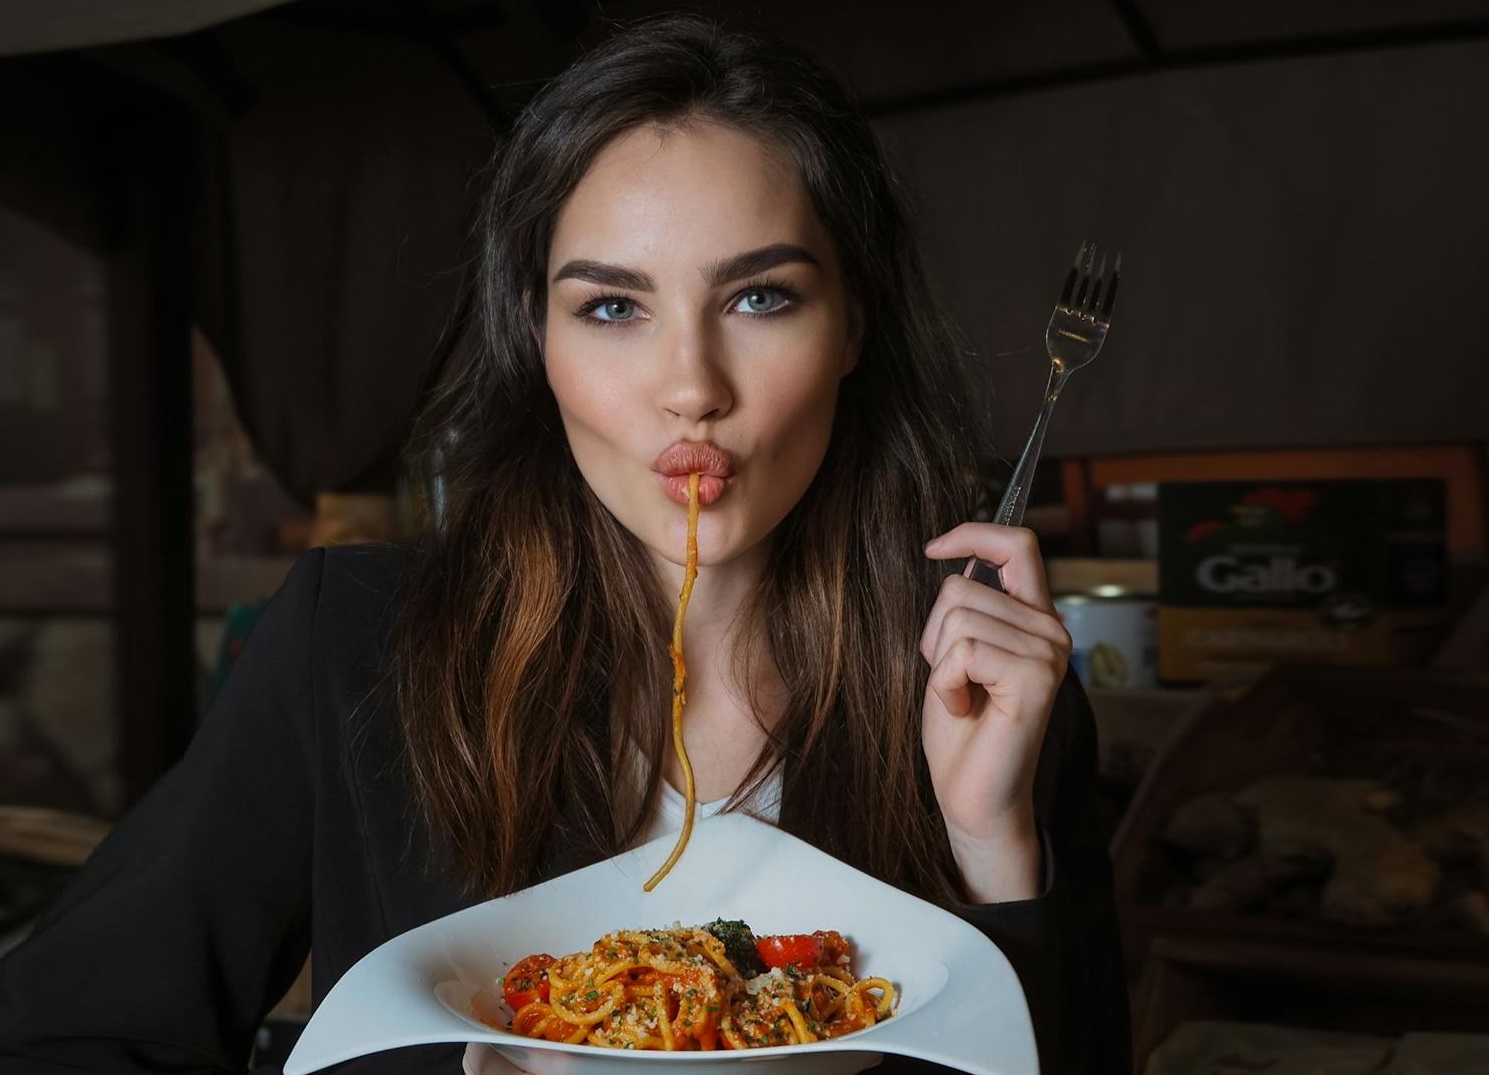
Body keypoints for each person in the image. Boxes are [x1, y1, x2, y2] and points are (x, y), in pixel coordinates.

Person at [0, 14, 1129, 1075]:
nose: (690, 386)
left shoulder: (979, 680)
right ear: (535, 338)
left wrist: (992, 848)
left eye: (759, 298)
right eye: (611, 307)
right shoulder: (353, 642)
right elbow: (63, 1034)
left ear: (852, 327)